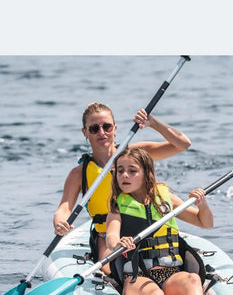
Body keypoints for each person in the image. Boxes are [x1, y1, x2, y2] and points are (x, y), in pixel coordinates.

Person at [53, 103, 191, 272]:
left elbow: (183, 144)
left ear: (115, 128)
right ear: (85, 133)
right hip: (109, 236)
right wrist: (60, 223)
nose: (102, 132)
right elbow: (64, 207)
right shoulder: (78, 174)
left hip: (147, 228)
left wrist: (153, 123)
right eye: (94, 128)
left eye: (107, 126)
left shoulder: (136, 155)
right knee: (112, 269)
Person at [105, 147, 214, 295]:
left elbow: (205, 223)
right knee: (154, 293)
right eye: (120, 171)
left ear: (146, 173)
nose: (124, 175)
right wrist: (118, 243)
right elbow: (111, 237)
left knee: (193, 279)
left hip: (171, 274)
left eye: (132, 170)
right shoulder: (117, 208)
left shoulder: (166, 198)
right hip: (136, 276)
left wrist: (202, 205)